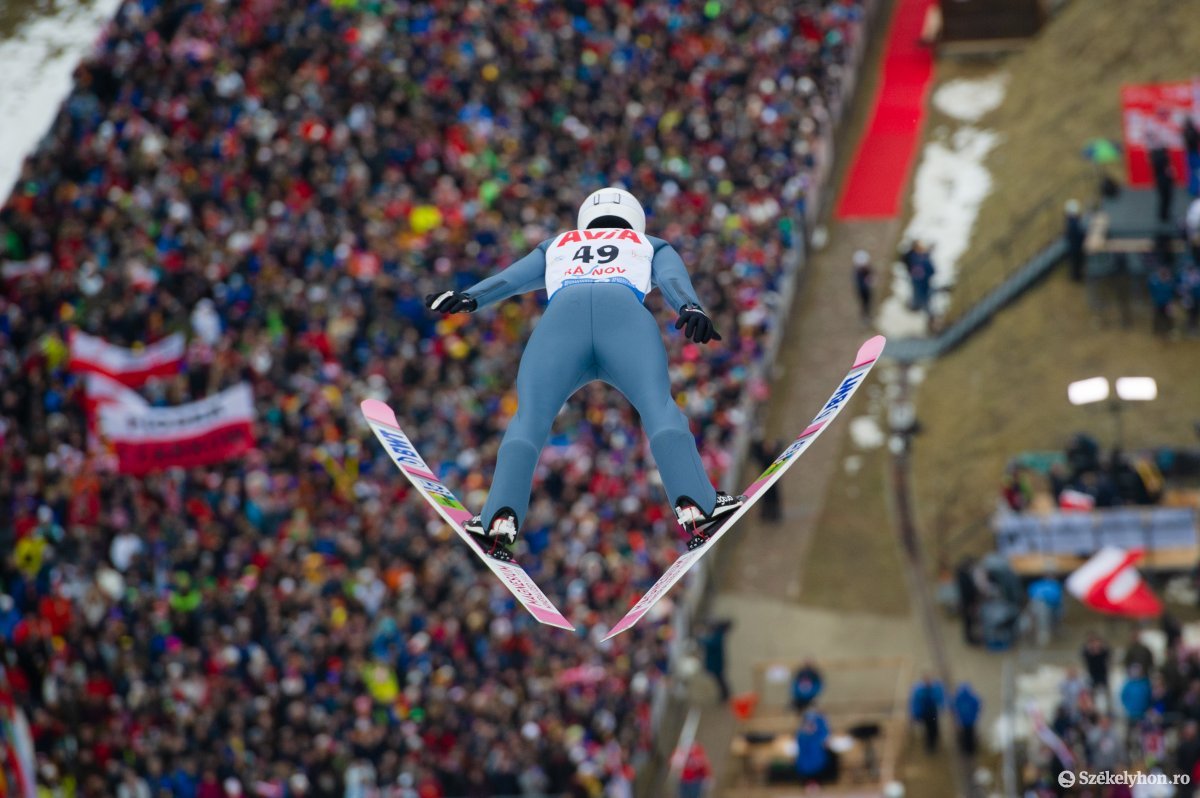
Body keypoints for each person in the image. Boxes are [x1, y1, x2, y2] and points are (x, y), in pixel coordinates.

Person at [426, 187, 745, 554]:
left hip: (562, 320)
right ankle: (698, 506)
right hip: (624, 317)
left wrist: (470, 297)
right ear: (634, 220)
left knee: (529, 419)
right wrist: (690, 307)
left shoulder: (557, 245)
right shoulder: (649, 244)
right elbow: (673, 280)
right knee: (658, 407)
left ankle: (499, 518)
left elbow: (511, 280)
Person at [795, 709, 834, 784]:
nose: (810, 726)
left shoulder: (818, 735)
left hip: (816, 768)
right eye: (808, 724)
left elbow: (826, 740)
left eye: (812, 724)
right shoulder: (802, 736)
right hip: (808, 768)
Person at [699, 619, 734, 703]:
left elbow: (710, 644)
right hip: (717, 662)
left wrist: (700, 639)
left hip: (716, 663)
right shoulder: (719, 635)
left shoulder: (718, 636)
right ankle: (725, 694)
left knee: (720, 679)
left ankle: (725, 695)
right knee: (720, 679)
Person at [910, 675, 944, 753]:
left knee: (934, 730)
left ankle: (932, 746)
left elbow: (939, 699)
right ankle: (930, 747)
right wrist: (916, 714)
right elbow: (916, 703)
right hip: (926, 714)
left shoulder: (934, 689)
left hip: (933, 713)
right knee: (929, 731)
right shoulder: (921, 691)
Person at [952, 682, 982, 757]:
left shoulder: (959, 698)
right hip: (970, 721)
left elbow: (954, 707)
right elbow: (978, 707)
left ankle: (965, 751)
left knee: (964, 736)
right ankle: (970, 751)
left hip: (963, 721)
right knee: (969, 736)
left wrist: (957, 718)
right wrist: (975, 717)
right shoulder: (972, 698)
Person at [1064, 199, 1088, 282]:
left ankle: (1076, 276)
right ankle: (1076, 277)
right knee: (1077, 263)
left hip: (1074, 245)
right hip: (1076, 246)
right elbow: (1077, 233)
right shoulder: (1073, 222)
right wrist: (1084, 236)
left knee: (1076, 263)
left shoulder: (1070, 221)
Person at [852, 249, 875, 322]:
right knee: (864, 303)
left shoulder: (867, 270)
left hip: (867, 290)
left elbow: (873, 275)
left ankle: (867, 315)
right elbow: (859, 283)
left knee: (868, 303)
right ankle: (865, 316)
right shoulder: (858, 272)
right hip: (862, 290)